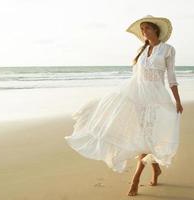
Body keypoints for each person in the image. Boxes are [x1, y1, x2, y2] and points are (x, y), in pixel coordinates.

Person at [64, 15, 183, 196]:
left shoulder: (167, 49)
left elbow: (171, 77)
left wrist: (178, 100)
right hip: (138, 98)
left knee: (148, 137)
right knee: (145, 137)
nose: (144, 32)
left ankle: (135, 179)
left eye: (147, 28)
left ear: (156, 30)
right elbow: (137, 77)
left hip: (157, 100)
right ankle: (155, 169)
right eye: (142, 29)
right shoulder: (141, 51)